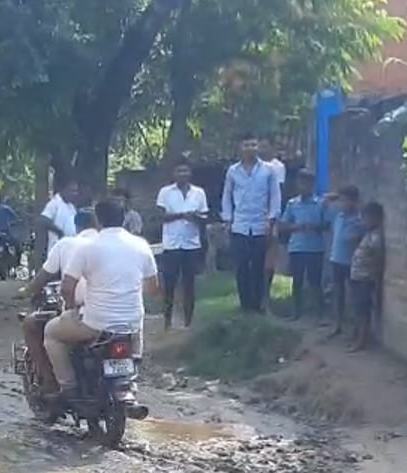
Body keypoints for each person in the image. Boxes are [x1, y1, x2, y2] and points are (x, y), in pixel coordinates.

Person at [47, 199, 160, 401]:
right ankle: (131, 377)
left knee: (51, 333)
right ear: (124, 219)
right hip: (132, 324)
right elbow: (153, 289)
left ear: (97, 221)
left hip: (96, 325)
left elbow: (67, 287)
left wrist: (71, 308)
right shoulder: (141, 245)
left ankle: (68, 387)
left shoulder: (88, 248)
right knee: (135, 335)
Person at [22, 209, 100, 395]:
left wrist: (25, 291)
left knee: (42, 329)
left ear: (77, 226)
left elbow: (46, 278)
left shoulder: (66, 244)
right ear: (97, 225)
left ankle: (58, 384)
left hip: (89, 315)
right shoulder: (111, 246)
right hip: (123, 319)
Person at [220, 136, 282, 313]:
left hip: (261, 225)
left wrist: (271, 220)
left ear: (258, 147)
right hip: (239, 225)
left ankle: (257, 303)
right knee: (241, 266)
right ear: (240, 147)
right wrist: (228, 220)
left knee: (258, 266)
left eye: (253, 144)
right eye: (246, 145)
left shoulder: (268, 170)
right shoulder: (233, 171)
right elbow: (227, 196)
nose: (250, 148)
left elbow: (275, 196)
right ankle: (245, 304)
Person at [156, 159, 209, 328]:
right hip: (171, 244)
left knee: (189, 284)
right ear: (173, 174)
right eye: (179, 171)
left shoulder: (199, 193)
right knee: (169, 284)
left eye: (185, 171)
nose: (182, 174)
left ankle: (188, 321)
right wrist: (181, 215)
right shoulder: (165, 192)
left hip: (191, 244)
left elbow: (204, 217)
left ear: (190, 173)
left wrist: (195, 217)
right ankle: (167, 319)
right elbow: (160, 216)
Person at [277, 173, 330, 320]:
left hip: (315, 248)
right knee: (297, 281)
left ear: (312, 185)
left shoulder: (320, 204)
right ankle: (296, 312)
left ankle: (320, 313)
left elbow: (327, 224)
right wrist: (296, 227)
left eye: (307, 183)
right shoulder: (292, 204)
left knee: (315, 281)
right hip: (297, 247)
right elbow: (283, 225)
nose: (303, 187)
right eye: (301, 183)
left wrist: (314, 227)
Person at [326, 186, 367, 336]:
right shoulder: (338, 216)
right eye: (341, 200)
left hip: (351, 263)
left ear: (354, 201)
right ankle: (337, 324)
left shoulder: (359, 220)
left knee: (355, 297)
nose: (343, 204)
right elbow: (324, 202)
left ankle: (356, 328)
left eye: (346, 200)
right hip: (336, 259)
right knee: (338, 294)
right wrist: (334, 196)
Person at [346, 201, 385, 352]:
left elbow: (377, 259)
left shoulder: (376, 237)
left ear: (376, 218)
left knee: (363, 311)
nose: (364, 221)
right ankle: (358, 336)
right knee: (358, 309)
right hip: (357, 276)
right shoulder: (368, 234)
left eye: (367, 218)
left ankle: (361, 341)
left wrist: (375, 278)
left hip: (365, 278)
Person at [39, 175, 79, 257]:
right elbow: (43, 219)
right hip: (58, 249)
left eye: (76, 191)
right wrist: (59, 231)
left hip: (70, 250)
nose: (75, 194)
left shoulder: (71, 206)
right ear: (63, 190)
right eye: (72, 191)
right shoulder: (55, 203)